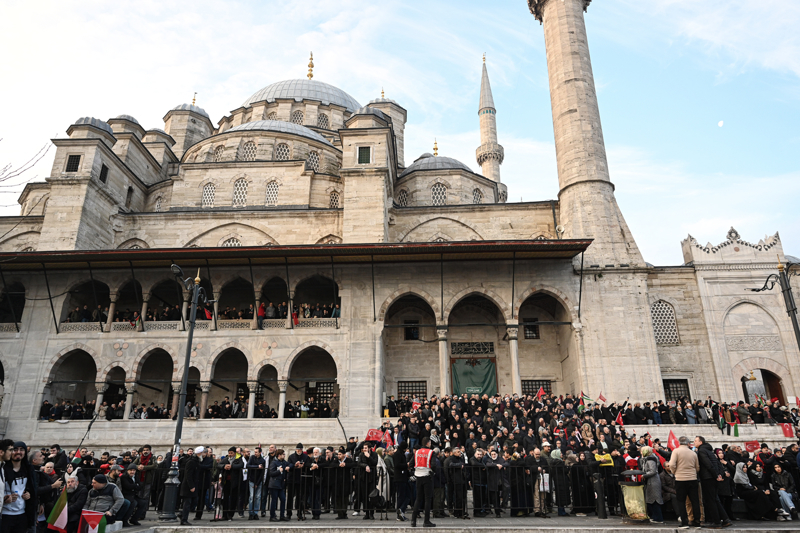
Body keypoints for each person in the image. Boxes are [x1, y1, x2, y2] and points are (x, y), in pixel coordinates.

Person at [2, 441, 37, 533]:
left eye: (21, 450)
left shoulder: (28, 469)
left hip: (22, 514)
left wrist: (28, 493)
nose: (18, 452)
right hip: (5, 514)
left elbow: (33, 488)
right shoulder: (3, 468)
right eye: (15, 449)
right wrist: (5, 498)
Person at [668, 436, 700, 529]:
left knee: (681, 501)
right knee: (695, 501)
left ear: (679, 442)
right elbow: (697, 467)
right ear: (688, 443)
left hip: (680, 479)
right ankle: (697, 522)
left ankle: (684, 522)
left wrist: (675, 472)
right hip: (692, 479)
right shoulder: (693, 453)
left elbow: (671, 464)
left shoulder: (676, 451)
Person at [695, 435, 726, 527]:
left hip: (707, 478)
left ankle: (717, 522)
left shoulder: (701, 451)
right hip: (712, 477)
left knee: (710, 500)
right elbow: (716, 463)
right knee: (715, 499)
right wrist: (718, 474)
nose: (694, 442)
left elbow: (708, 464)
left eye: (696, 441)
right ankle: (725, 519)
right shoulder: (709, 450)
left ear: (701, 442)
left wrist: (715, 475)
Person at [410, 437, 435, 528]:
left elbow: (411, 463)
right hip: (427, 475)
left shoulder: (417, 452)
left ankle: (413, 520)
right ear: (428, 443)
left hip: (418, 476)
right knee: (427, 499)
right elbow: (434, 465)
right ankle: (426, 521)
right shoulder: (431, 452)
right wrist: (433, 471)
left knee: (418, 498)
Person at [640, 447, 664, 524]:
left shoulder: (650, 460)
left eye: (642, 451)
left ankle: (658, 518)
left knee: (655, 499)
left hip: (653, 481)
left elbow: (653, 471)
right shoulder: (647, 459)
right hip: (650, 481)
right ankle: (654, 516)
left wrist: (644, 475)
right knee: (651, 499)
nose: (641, 452)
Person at [267, 449, 289, 522]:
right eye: (283, 454)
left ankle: (282, 515)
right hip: (274, 484)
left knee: (283, 499)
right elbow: (271, 473)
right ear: (279, 455)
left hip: (280, 484)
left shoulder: (284, 462)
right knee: (274, 500)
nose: (284, 455)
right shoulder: (274, 462)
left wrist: (288, 467)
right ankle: (272, 516)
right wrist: (279, 471)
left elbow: (290, 464)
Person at [180, 446, 200, 526]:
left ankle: (182, 515)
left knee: (193, 501)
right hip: (188, 486)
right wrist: (191, 486)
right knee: (187, 503)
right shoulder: (191, 461)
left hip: (193, 484)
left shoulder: (196, 461)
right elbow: (188, 475)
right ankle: (184, 519)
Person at [246, 447, 266, 520]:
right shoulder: (252, 458)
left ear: (260, 453)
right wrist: (257, 466)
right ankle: (251, 513)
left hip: (258, 481)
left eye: (256, 452)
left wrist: (257, 483)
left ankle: (255, 512)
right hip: (251, 480)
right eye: (254, 452)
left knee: (258, 497)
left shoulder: (262, 460)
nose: (255, 453)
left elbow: (262, 473)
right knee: (251, 497)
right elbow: (248, 465)